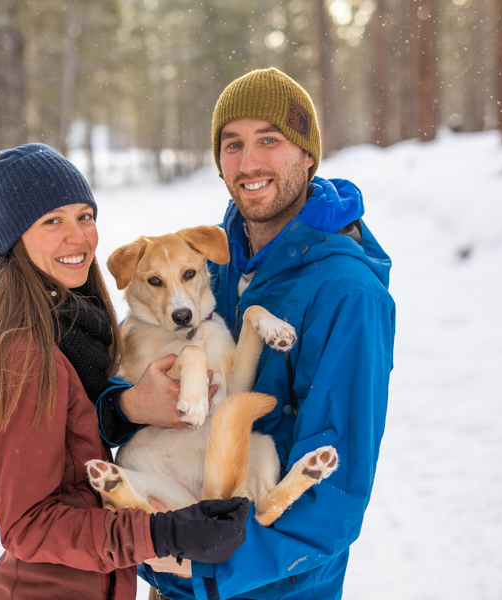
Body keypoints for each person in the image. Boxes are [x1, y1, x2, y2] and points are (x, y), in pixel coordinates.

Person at [0, 143, 249, 600]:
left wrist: (124, 406)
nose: (77, 236)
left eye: (85, 216)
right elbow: (27, 525)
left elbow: (69, 429)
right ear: (15, 237)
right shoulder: (17, 350)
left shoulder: (71, 322)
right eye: (51, 221)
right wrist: (161, 535)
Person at [140, 68, 396, 600]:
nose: (249, 162)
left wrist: (209, 572)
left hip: (265, 584)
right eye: (232, 145)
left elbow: (337, 481)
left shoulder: (347, 291)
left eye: (269, 140)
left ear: (307, 154)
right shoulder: (216, 261)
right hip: (178, 563)